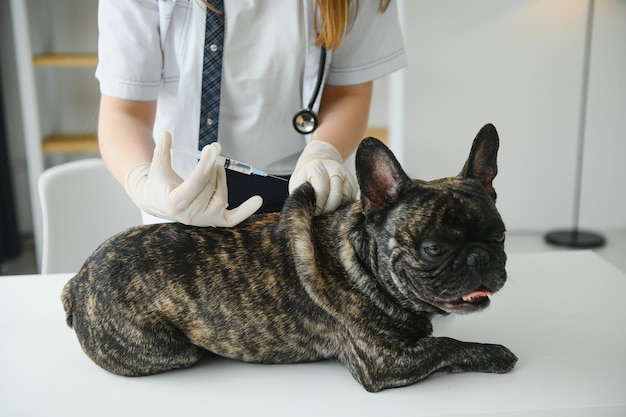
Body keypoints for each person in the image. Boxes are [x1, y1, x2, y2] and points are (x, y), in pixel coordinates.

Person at [96, 0, 406, 227]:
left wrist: (323, 152)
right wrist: (144, 182)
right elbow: (125, 112)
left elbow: (348, 93)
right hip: (183, 196)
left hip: (306, 193)